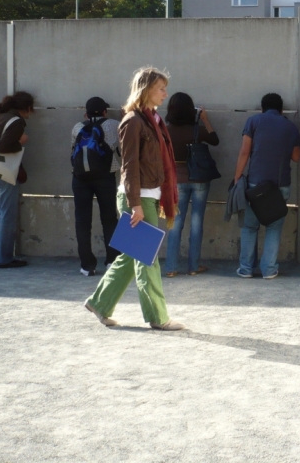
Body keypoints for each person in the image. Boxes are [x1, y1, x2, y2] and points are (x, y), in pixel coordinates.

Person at [84, 67, 184, 330]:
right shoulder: (133, 121)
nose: (165, 93)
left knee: (132, 256)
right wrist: (136, 204)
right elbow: (128, 165)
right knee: (146, 259)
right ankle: (158, 317)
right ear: (146, 89)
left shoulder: (153, 120)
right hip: (138, 198)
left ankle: (99, 303)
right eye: (161, 87)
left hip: (148, 195)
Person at [234, 93, 300, 280]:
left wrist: (237, 177)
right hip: (280, 186)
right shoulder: (290, 126)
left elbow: (244, 151)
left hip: (256, 185)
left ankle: (246, 269)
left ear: (262, 108)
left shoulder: (253, 122)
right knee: (273, 228)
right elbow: (296, 157)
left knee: (249, 227)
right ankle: (269, 270)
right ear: (281, 109)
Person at [164, 92, 220, 278]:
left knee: (175, 223)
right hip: (199, 180)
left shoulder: (165, 130)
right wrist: (204, 119)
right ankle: (193, 266)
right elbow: (215, 140)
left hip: (176, 180)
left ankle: (171, 267)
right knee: (197, 222)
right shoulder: (197, 130)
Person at [0, 91, 35, 269]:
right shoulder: (16, 121)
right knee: (8, 216)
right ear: (27, 108)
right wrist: (21, 141)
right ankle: (4, 258)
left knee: (2, 214)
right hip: (5, 173)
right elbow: (5, 146)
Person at [71, 97, 121, 277]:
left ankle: (87, 265)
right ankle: (112, 261)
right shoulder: (114, 125)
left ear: (86, 113)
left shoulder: (77, 127)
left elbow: (73, 152)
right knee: (109, 219)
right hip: (105, 178)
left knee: (82, 221)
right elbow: (120, 149)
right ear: (105, 112)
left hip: (80, 179)